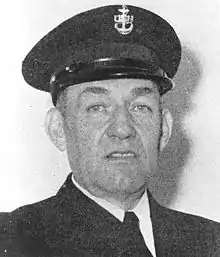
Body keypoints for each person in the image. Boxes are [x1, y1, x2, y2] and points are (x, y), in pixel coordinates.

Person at [0, 4, 220, 257]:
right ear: (58, 129)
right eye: (97, 108)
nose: (123, 129)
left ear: (165, 129)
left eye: (140, 107)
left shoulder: (210, 242)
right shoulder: (14, 240)